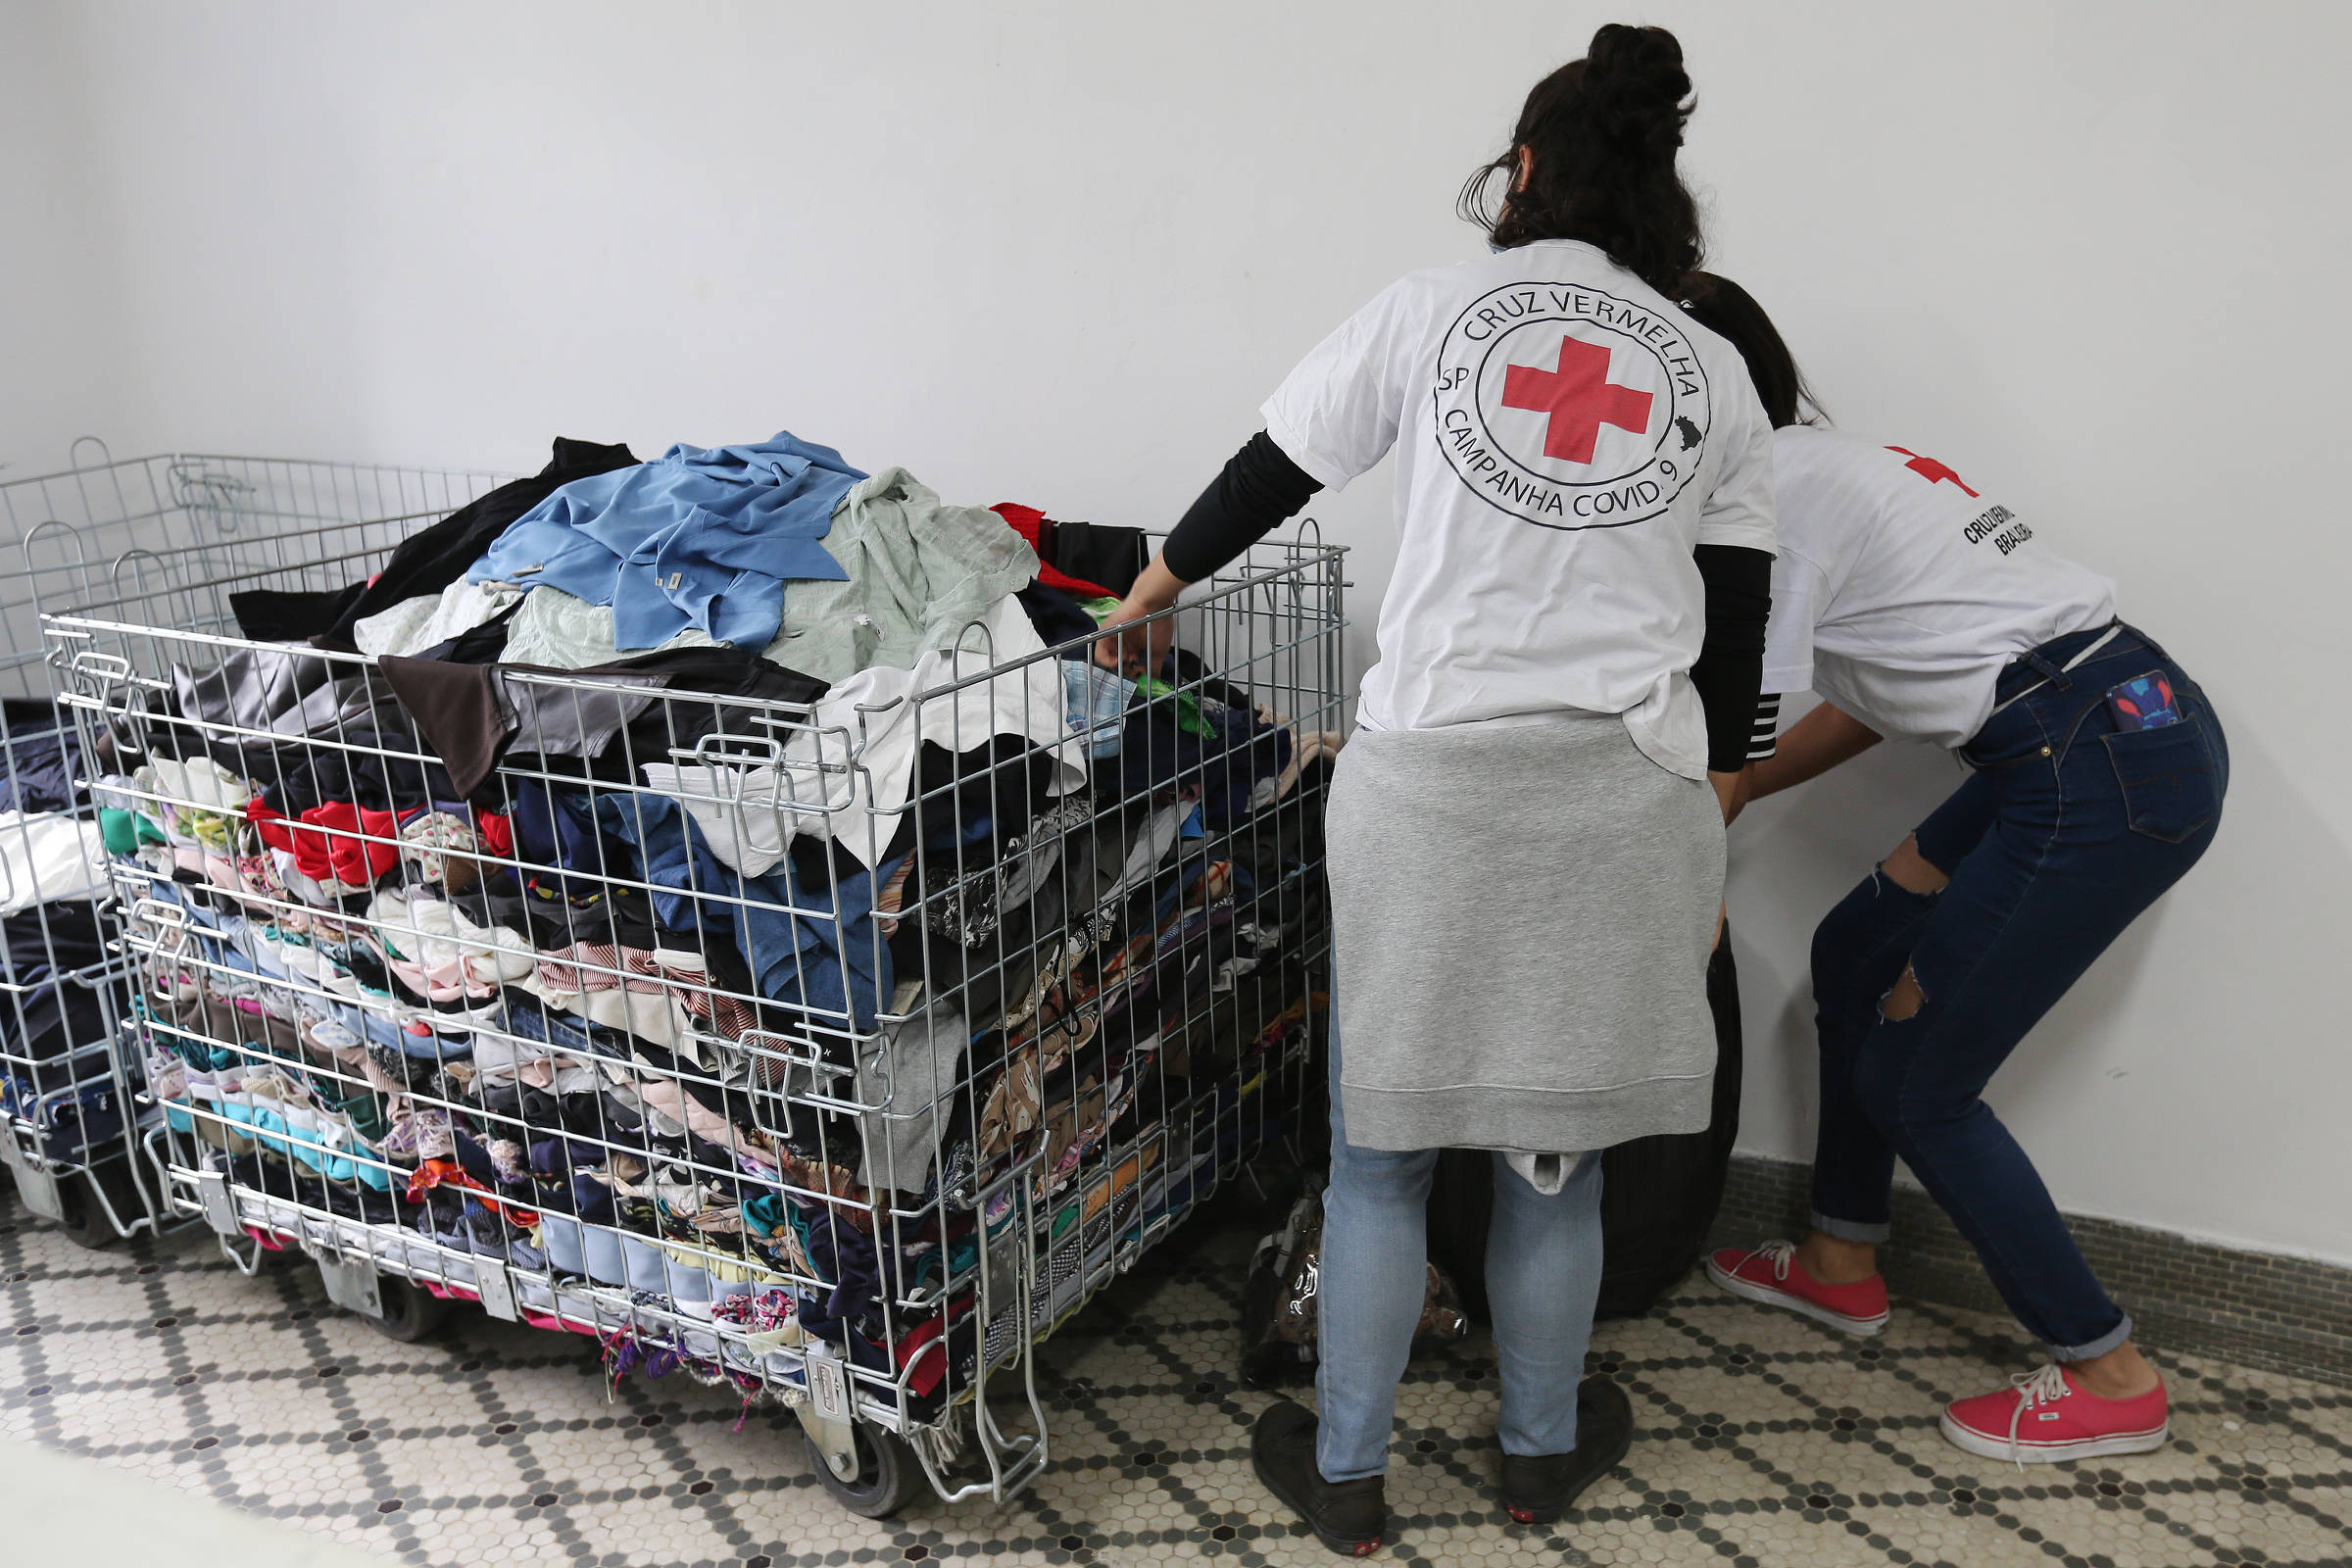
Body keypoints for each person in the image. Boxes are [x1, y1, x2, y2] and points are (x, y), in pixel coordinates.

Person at [1098, 26, 1775, 1553]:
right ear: (1662, 191)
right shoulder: (1715, 371)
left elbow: (1274, 467)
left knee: (1381, 1160)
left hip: (1434, 790)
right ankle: (1536, 1460)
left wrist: (1154, 584)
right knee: (1555, 1162)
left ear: (1525, 168)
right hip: (1625, 798)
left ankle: (1348, 1482)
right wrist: (1710, 832)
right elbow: (1734, 644)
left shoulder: (1432, 309)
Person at [1684, 274, 2230, 1465]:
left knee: (1919, 1080)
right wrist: (1745, 802)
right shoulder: (1836, 467)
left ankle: (2110, 1373)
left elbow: (1732, 721)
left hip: (2087, 760)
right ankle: (1841, 1255)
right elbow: (1874, 695)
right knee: (1855, 951)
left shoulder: (1770, 498)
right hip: (2121, 719)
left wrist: (1685, 868)